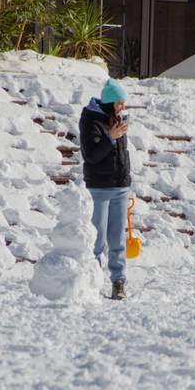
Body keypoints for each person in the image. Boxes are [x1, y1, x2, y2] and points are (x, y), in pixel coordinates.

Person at [79, 78, 131, 300]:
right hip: (99, 189)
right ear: (110, 102)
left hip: (120, 187)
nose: (123, 107)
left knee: (118, 240)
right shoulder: (91, 121)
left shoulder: (115, 119)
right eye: (119, 103)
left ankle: (118, 282)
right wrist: (111, 137)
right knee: (97, 240)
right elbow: (90, 157)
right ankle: (93, 280)